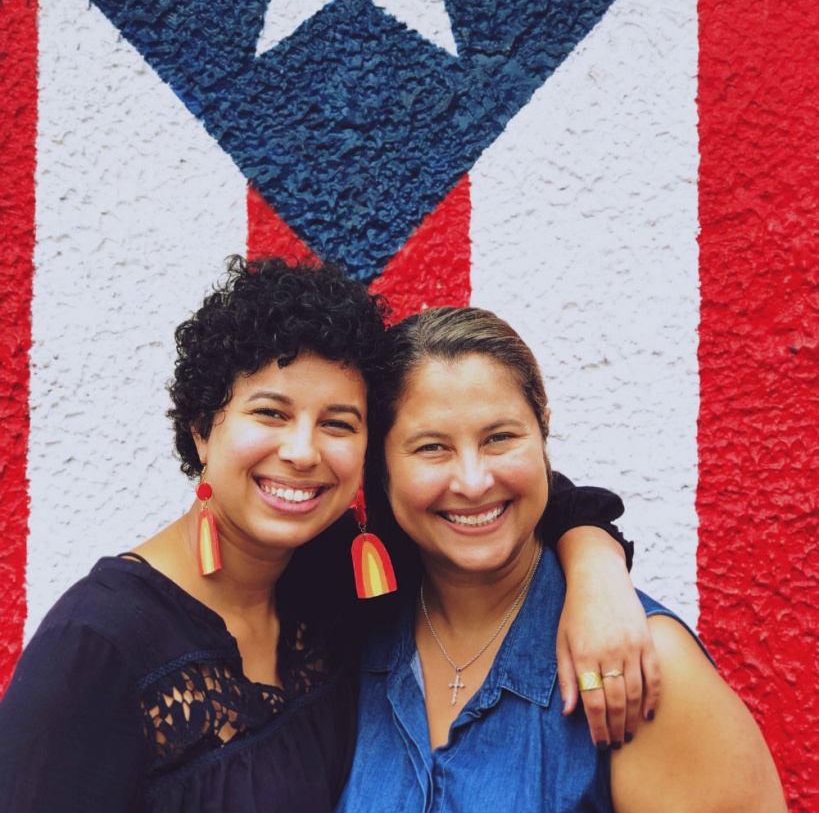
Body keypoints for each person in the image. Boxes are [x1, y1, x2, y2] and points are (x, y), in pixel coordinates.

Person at [0, 258, 655, 813]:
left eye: (338, 423)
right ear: (203, 428)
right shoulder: (97, 647)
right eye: (270, 413)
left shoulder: (340, 577)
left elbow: (502, 491)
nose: (303, 451)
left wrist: (594, 569)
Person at [337, 305, 787, 813]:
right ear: (380, 465)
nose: (473, 480)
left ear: (543, 433)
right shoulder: (348, 637)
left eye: (500, 438)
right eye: (432, 447)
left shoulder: (639, 663)